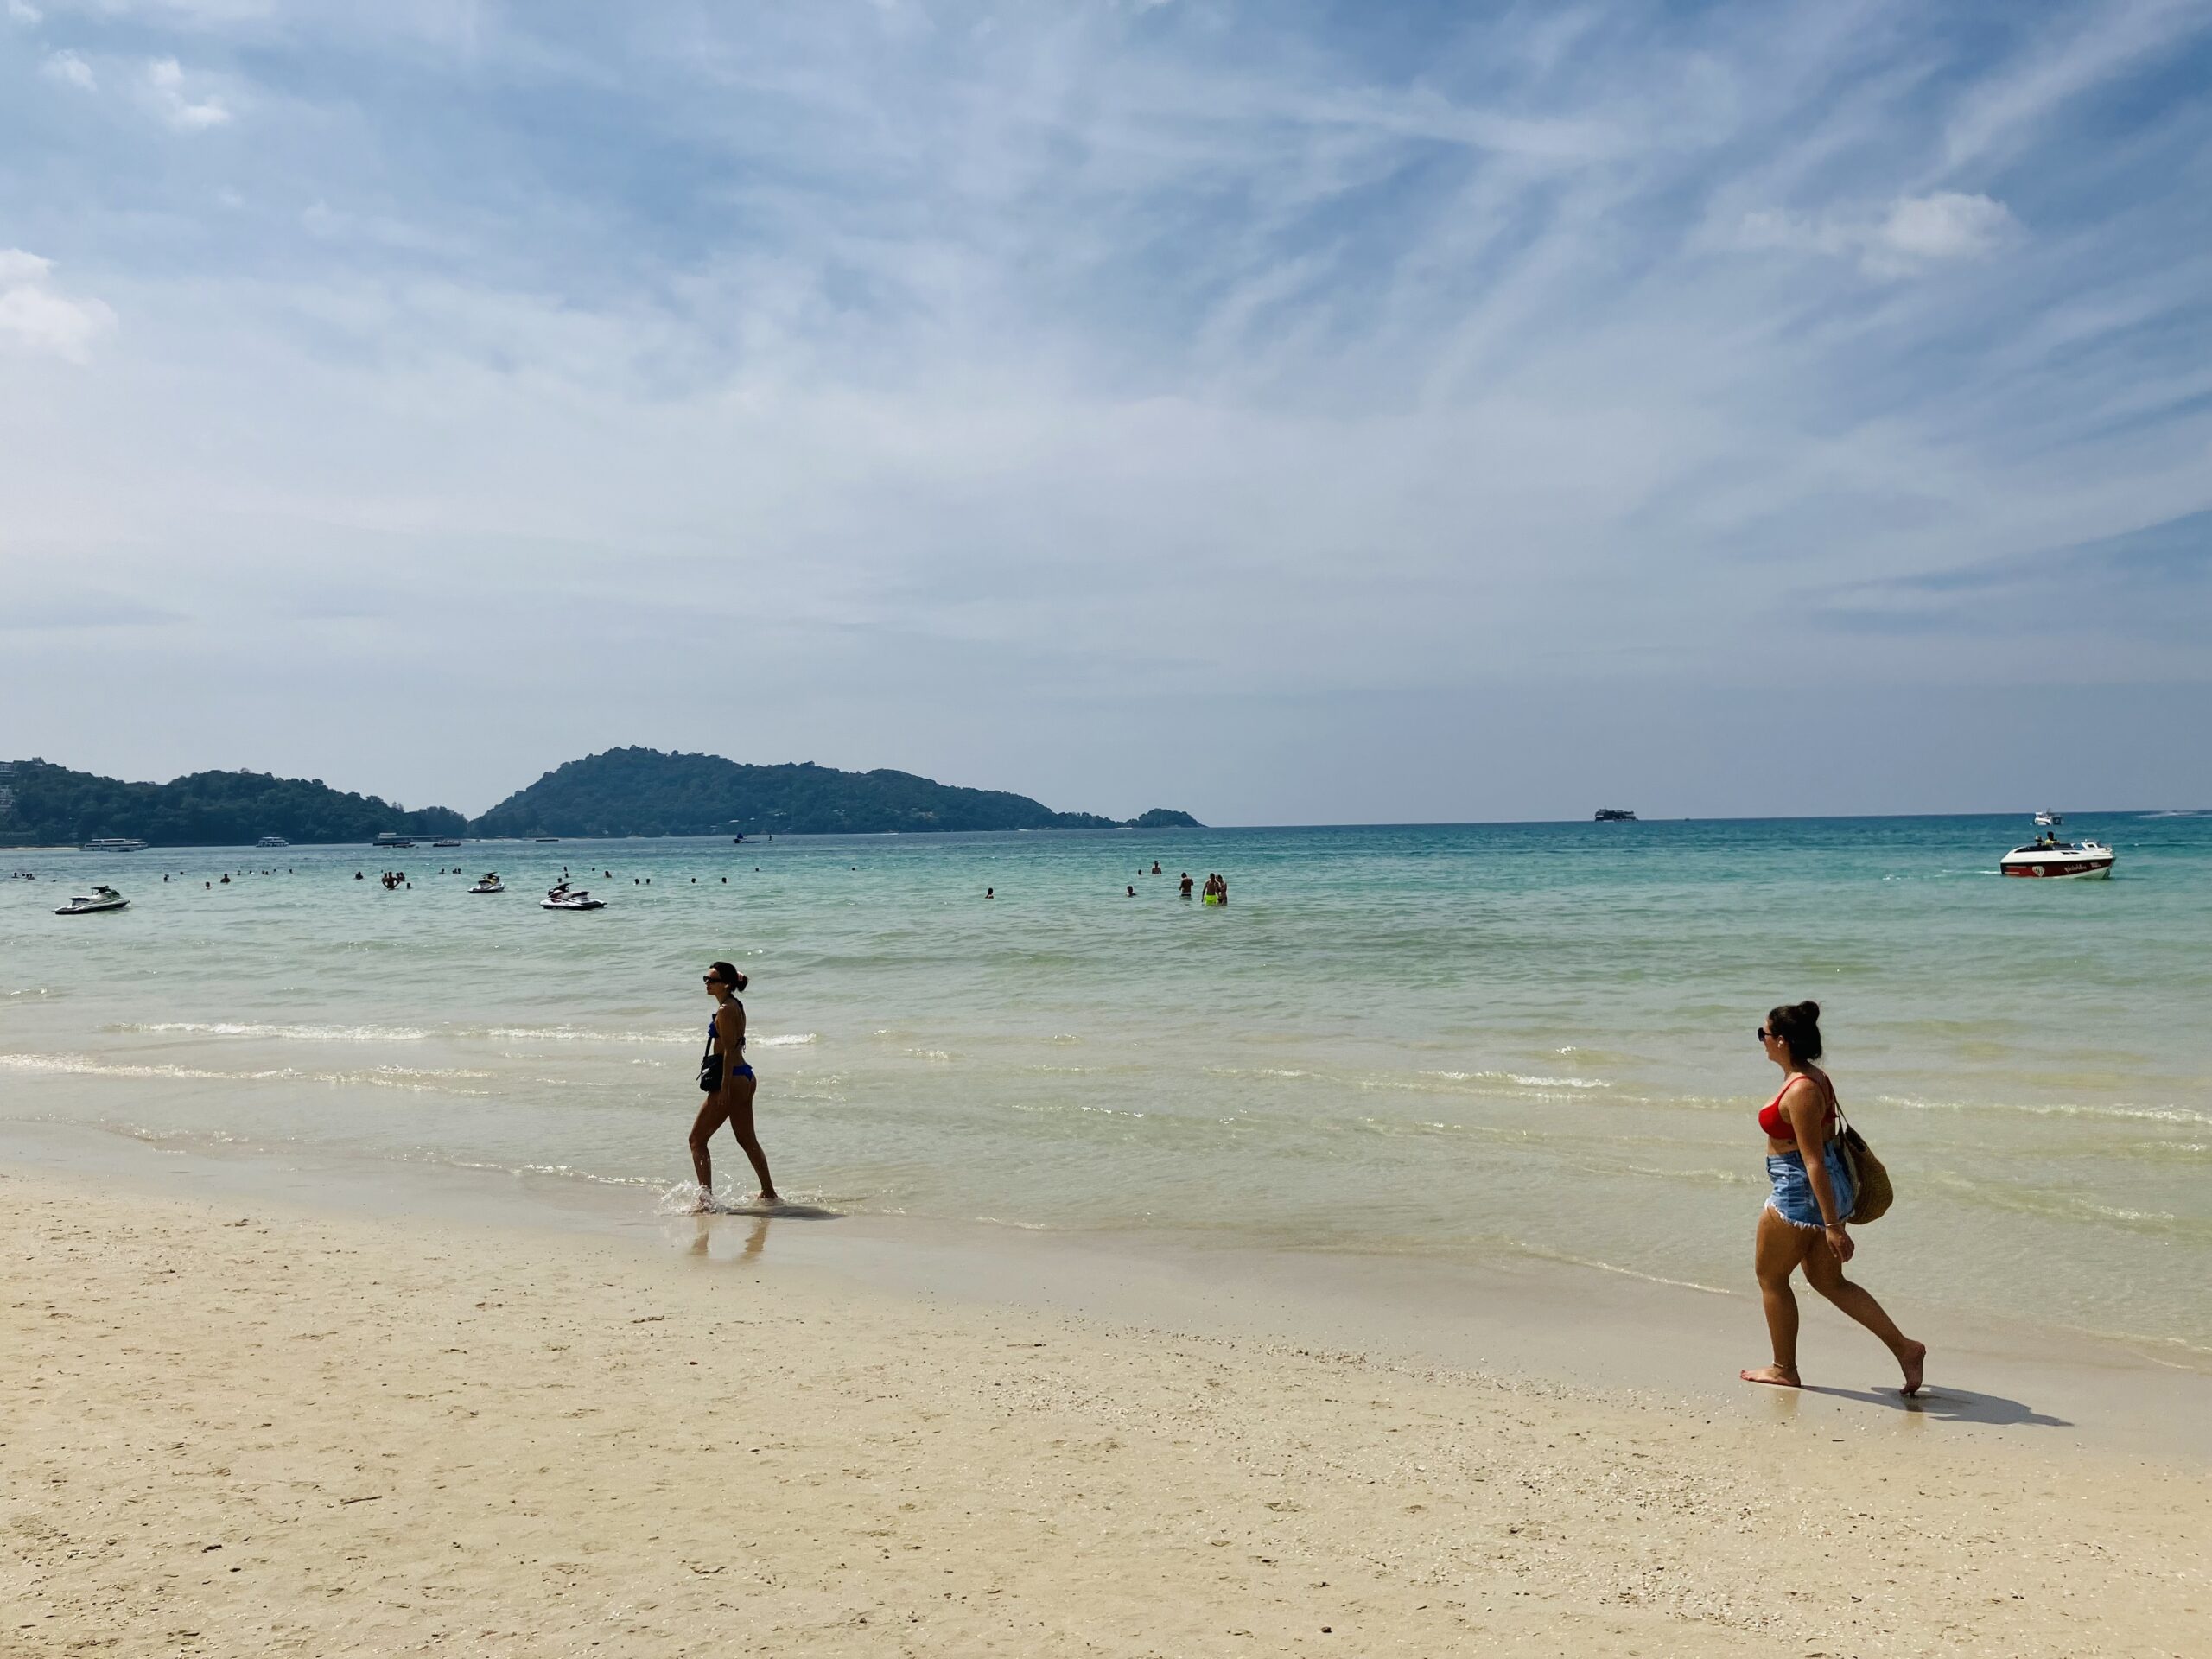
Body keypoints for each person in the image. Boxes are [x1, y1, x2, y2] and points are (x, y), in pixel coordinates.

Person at [1741, 1001, 1924, 1395]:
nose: (1762, 1041)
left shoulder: (1802, 1089)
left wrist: (1833, 1226)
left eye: (1764, 1034)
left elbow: (1813, 1162)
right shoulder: (1812, 1077)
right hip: (1819, 1193)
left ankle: (1783, 1368)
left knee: (1770, 1277)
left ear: (1783, 1041)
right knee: (1829, 1282)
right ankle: (1905, 1349)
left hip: (1800, 1196)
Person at [688, 961, 779, 1212]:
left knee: (696, 1140)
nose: (707, 983)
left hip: (733, 1080)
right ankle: (768, 1192)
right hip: (745, 1076)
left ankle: (705, 1202)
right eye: (705, 978)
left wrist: (724, 1089)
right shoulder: (734, 1005)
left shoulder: (727, 1009)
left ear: (726, 984)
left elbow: (728, 1051)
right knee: (747, 1140)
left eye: (712, 980)